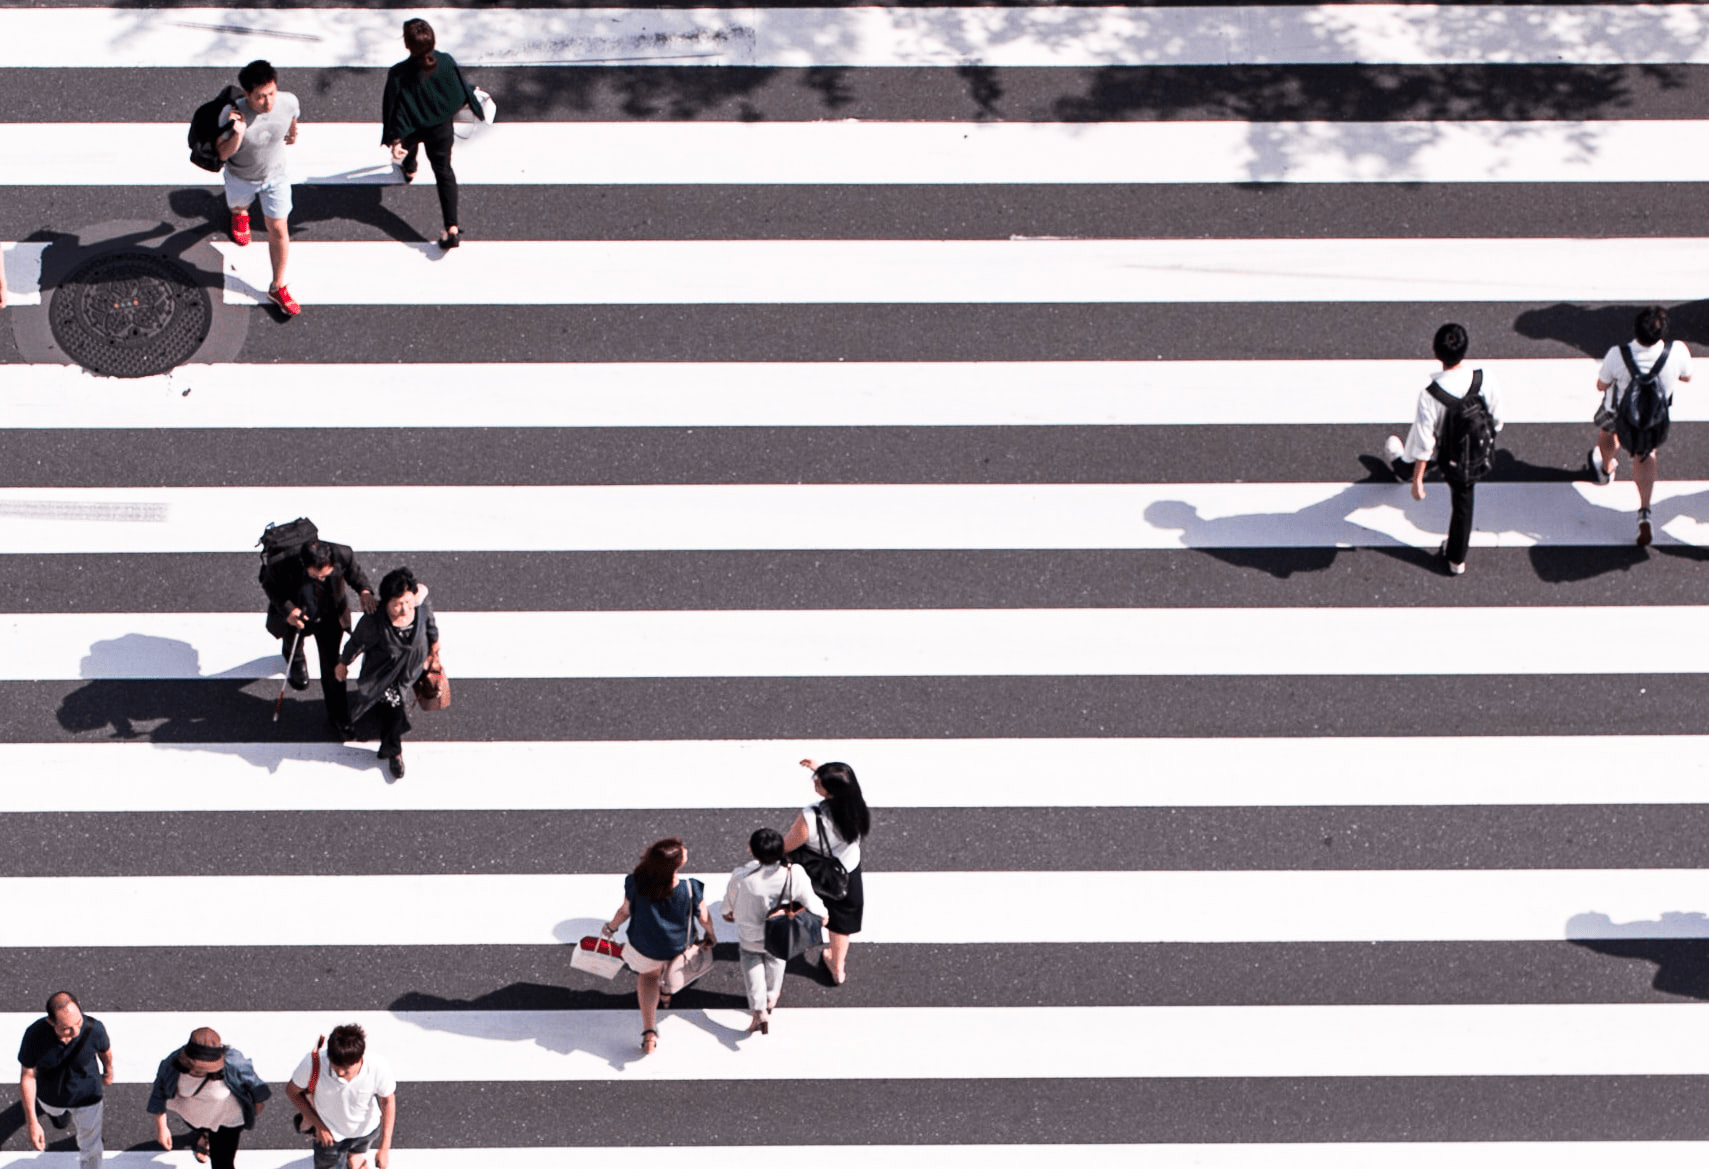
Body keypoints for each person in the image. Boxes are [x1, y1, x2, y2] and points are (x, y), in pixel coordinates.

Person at [1381, 323, 1504, 576]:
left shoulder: (1431, 395)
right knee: (1463, 505)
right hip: (1477, 454)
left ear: (1435, 352)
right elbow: (1497, 420)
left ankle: (1404, 468)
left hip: (1449, 456)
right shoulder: (1485, 378)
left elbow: (1426, 443)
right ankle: (1456, 559)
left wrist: (1417, 481)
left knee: (1425, 438)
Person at [1588, 305, 1693, 547]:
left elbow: (1601, 386)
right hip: (1653, 419)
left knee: (1607, 434)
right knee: (1645, 456)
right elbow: (1688, 377)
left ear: (1635, 330)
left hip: (1619, 413)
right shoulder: (1676, 352)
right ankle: (1644, 510)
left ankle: (1605, 470)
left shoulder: (1618, 354)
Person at [601, 837, 717, 1054]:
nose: (686, 850)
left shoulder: (636, 883)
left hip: (645, 944)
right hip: (679, 945)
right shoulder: (690, 888)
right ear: (678, 865)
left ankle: (649, 1032)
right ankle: (667, 993)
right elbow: (704, 918)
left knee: (648, 977)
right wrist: (711, 935)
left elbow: (625, 910)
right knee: (672, 969)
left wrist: (611, 928)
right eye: (683, 852)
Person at [381, 18, 484, 250]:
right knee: (444, 172)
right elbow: (458, 90)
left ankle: (410, 167)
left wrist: (395, 139)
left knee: (410, 144)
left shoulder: (398, 74)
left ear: (407, 46)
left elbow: (393, 110)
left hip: (412, 127)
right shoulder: (446, 61)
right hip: (440, 128)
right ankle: (452, 228)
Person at [264, 538, 377, 738]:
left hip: (330, 616)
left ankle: (338, 716)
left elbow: (354, 573)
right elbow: (270, 586)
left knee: (332, 665)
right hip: (299, 612)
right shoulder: (283, 562)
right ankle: (295, 658)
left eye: (326, 574)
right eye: (316, 576)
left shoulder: (343, 553)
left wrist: (364, 591)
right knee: (293, 641)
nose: (322, 579)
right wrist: (289, 610)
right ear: (304, 565)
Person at [334, 567, 439, 779]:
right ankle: (394, 751)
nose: (405, 609)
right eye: (397, 604)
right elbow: (355, 644)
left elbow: (431, 629)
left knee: (389, 706)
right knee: (394, 713)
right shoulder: (374, 623)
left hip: (412, 669)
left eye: (408, 603)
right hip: (384, 675)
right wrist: (343, 663)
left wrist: (433, 653)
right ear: (386, 602)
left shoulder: (420, 608)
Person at [218, 59, 302, 315]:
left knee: (278, 227)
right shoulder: (231, 114)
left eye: (271, 93)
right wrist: (238, 133)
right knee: (239, 206)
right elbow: (222, 154)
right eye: (260, 97)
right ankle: (239, 215)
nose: (268, 102)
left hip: (276, 176)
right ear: (246, 94)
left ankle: (277, 286)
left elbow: (292, 117)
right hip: (241, 177)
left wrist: (293, 133)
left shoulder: (288, 101)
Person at [722, 827, 826, 1034]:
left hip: (750, 934)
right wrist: (822, 916)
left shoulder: (741, 877)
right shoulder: (793, 874)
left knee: (751, 964)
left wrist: (728, 914)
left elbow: (727, 908)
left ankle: (759, 1009)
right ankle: (772, 996)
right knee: (777, 960)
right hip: (781, 933)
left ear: (752, 851)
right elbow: (812, 902)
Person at [784, 760, 871, 986]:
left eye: (819, 782)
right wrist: (820, 769)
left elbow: (788, 845)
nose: (815, 782)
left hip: (813, 871)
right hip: (846, 870)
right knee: (842, 921)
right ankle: (837, 966)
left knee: (797, 905)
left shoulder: (811, 817)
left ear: (830, 791)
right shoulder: (858, 807)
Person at [147, 1027, 271, 1169]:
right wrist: (161, 1127)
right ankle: (206, 1135)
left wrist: (257, 1102)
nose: (198, 1072)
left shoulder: (233, 1062)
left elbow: (254, 1083)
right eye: (195, 1067)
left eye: (204, 1068)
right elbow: (159, 1091)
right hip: (193, 1116)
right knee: (200, 1127)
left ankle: (208, 1137)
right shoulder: (171, 1063)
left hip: (227, 1120)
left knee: (223, 1164)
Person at [18, 991, 113, 1169]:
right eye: (66, 1028)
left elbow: (105, 1052)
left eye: (78, 1023)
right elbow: (27, 1076)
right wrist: (32, 1122)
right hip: (50, 1097)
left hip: (88, 1097)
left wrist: (108, 1071)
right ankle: (59, 1116)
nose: (76, 1032)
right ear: (51, 1022)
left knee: (91, 1145)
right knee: (58, 1118)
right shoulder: (34, 1035)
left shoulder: (94, 1028)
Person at [285, 1024, 396, 1169]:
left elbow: (388, 1101)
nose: (340, 1074)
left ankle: (354, 1156)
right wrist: (319, 1126)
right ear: (329, 1056)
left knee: (356, 1152)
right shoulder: (313, 1063)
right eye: (335, 1067)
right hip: (329, 1135)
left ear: (360, 1058)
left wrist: (384, 1149)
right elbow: (292, 1091)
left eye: (346, 1070)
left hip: (366, 1131)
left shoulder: (378, 1067)